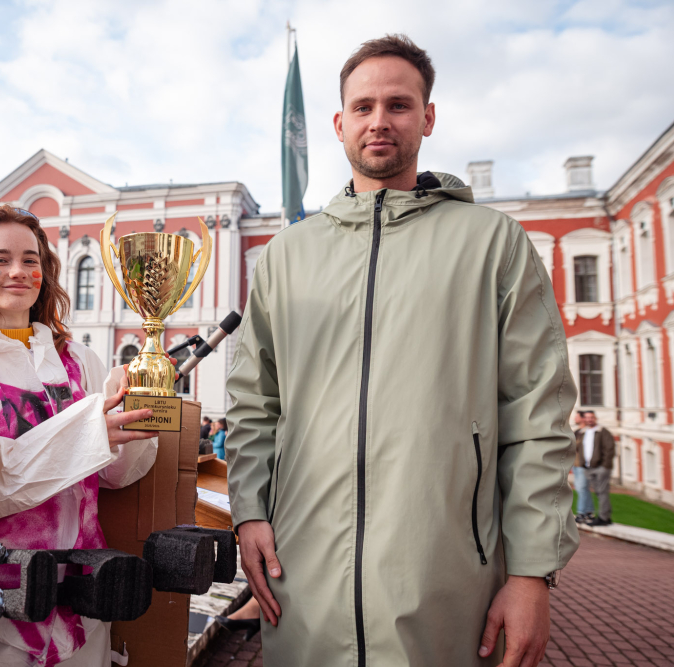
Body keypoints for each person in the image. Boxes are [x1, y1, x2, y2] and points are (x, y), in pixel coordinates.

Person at [226, 34, 578, 667]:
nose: (379, 121)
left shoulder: (492, 244)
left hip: (447, 592)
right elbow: (255, 403)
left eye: (399, 104)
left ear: (428, 117)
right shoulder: (286, 257)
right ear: (339, 124)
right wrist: (249, 513)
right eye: (363, 107)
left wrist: (531, 572)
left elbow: (537, 414)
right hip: (304, 589)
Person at [0, 204, 161, 667]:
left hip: (85, 600)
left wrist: (135, 415)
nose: (18, 271)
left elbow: (116, 478)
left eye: (30, 259)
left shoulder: (79, 362)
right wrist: (85, 435)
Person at [574, 410, 615, 527]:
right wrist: (583, 463)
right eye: (587, 418)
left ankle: (603, 518)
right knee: (598, 492)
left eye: (591, 417)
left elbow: (609, 449)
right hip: (588, 467)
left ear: (595, 418)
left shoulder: (602, 431)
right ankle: (603, 516)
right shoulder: (584, 432)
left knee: (602, 492)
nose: (589, 420)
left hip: (600, 468)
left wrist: (604, 466)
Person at [571, 411, 595, 523]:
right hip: (576, 464)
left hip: (583, 465)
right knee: (582, 488)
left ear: (583, 418)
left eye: (576, 417)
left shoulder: (588, 432)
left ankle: (581, 513)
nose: (574, 419)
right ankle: (589, 512)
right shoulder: (577, 432)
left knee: (581, 488)